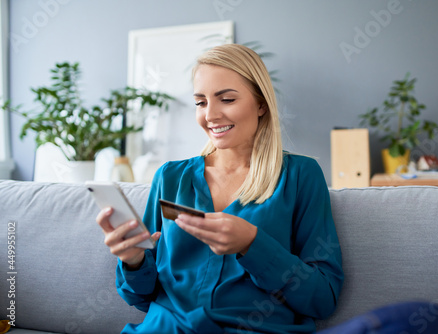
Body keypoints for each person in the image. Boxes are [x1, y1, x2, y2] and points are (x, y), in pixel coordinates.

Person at [96, 43, 344, 333]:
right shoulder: (171, 177)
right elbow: (140, 297)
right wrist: (134, 260)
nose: (210, 115)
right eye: (201, 102)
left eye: (226, 99)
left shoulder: (301, 176)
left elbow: (322, 299)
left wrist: (253, 244)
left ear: (261, 103)